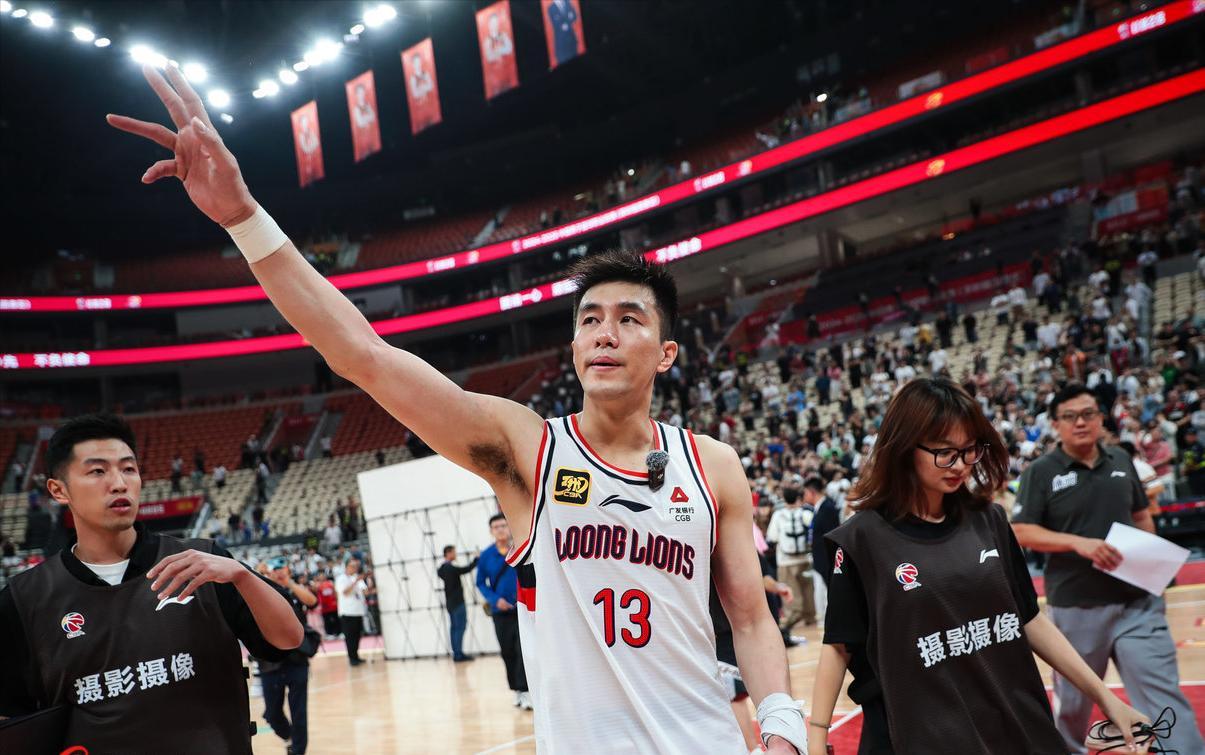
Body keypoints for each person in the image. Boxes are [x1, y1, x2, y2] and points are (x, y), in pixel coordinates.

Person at [108, 65, 805, 754]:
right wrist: (243, 218)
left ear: (666, 353)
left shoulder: (712, 465)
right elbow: (363, 355)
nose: (605, 333)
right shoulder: (527, 447)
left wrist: (782, 729)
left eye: (630, 319)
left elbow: (749, 617)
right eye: (590, 319)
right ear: (572, 345)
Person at [811, 379, 1148, 755]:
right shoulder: (860, 539)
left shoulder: (990, 520)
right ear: (904, 448)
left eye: (969, 450)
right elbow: (839, 645)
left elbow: (1028, 617)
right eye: (945, 452)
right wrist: (816, 738)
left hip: (1012, 722)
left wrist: (1105, 698)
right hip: (922, 735)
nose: (960, 465)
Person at [0, 414, 302, 752]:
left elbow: (289, 641)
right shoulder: (24, 599)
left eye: (129, 469)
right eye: (97, 471)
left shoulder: (205, 561)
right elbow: (13, 717)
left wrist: (242, 575)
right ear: (59, 490)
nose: (119, 483)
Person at [1013, 383, 1205, 755]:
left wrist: (1152, 563)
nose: (1080, 422)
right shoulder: (1041, 471)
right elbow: (1021, 530)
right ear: (1056, 424)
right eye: (1070, 416)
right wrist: (1078, 543)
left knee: (1162, 693)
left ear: (1101, 418)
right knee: (1073, 704)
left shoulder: (1120, 459)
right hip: (1077, 606)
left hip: (1138, 603)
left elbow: (1141, 516)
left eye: (1088, 414)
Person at [258, 556, 318, 755]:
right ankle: (289, 736)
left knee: (299, 711)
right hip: (269, 660)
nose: (278, 572)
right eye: (274, 569)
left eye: (281, 568)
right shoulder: (261, 588)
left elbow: (312, 601)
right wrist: (261, 578)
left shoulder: (294, 591)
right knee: (272, 713)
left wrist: (289, 583)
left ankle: (298, 751)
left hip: (296, 658)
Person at [476, 515, 530, 709]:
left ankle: (526, 690)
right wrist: (495, 600)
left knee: (523, 649)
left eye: (503, 525)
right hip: (500, 613)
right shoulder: (486, 555)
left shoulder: (521, 547)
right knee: (507, 651)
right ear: (491, 531)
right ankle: (516, 689)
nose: (500, 529)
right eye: (496, 527)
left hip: (522, 609)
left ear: (509, 526)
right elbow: (480, 582)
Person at [766, 487, 816, 637]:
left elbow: (772, 537)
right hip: (805, 559)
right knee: (808, 590)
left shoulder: (778, 515)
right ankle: (810, 617)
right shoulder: (806, 513)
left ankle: (793, 618)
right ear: (798, 498)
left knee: (789, 590)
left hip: (785, 561)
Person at [803, 476, 839, 621]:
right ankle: (825, 618)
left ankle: (831, 619)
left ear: (812, 492)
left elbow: (832, 536)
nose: (804, 496)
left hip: (826, 559)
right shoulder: (819, 508)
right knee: (821, 590)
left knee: (827, 591)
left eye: (805, 492)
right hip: (819, 558)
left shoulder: (828, 508)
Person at [437, 545, 479, 662]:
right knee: (460, 627)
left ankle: (457, 653)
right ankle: (458, 654)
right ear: (448, 553)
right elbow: (466, 569)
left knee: (454, 628)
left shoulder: (442, 569)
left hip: (450, 603)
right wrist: (476, 560)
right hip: (458, 603)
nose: (455, 554)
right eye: (454, 552)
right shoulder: (450, 568)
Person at [335, 558, 368, 666]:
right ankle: (352, 658)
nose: (355, 568)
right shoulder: (341, 578)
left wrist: (367, 581)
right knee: (350, 637)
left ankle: (356, 656)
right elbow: (345, 592)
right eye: (352, 566)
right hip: (347, 612)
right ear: (347, 567)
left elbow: (366, 592)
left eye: (356, 566)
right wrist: (355, 582)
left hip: (358, 611)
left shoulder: (357, 578)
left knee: (357, 635)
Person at [547, 0, 581, 66]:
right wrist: (569, 18)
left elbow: (575, 16)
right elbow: (556, 25)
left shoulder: (567, 2)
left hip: (572, 39)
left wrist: (566, 23)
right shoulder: (551, 8)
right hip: (561, 43)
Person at [315, 571, 340, 639]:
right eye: (320, 576)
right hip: (324, 606)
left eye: (323, 576)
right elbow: (316, 594)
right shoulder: (317, 585)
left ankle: (338, 633)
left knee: (336, 619)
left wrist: (337, 601)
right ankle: (329, 633)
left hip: (333, 605)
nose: (322, 577)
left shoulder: (330, 583)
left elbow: (335, 592)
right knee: (327, 620)